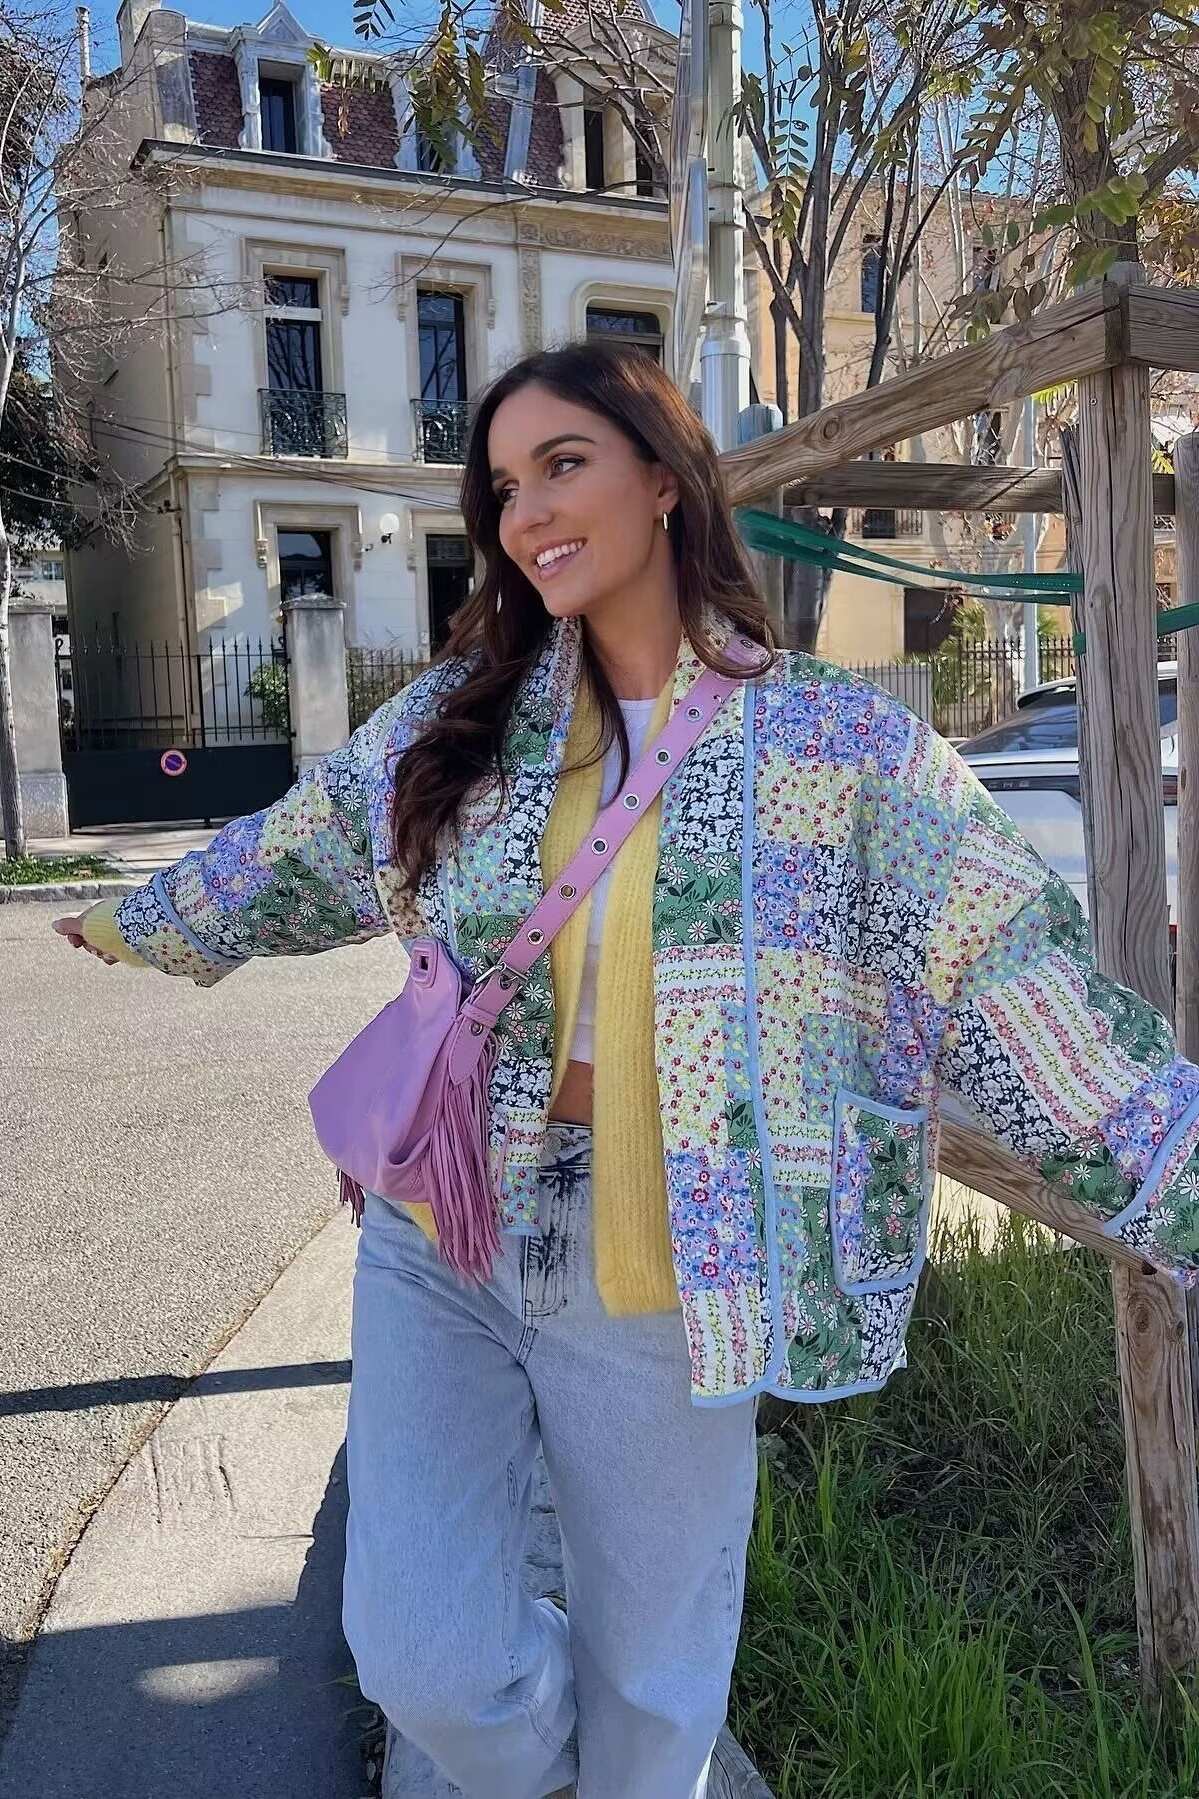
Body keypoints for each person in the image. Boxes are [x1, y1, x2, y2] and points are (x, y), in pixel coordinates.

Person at [54, 340, 1199, 1799]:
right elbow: (299, 847)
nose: (527, 511)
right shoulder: (465, 719)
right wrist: (139, 921)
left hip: (673, 1255)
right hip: (445, 1226)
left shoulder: (840, 749)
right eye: (502, 487)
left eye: (563, 464)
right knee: (425, 1660)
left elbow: (1019, 978)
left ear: (664, 481)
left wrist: (1178, 1181)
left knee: (657, 1699)